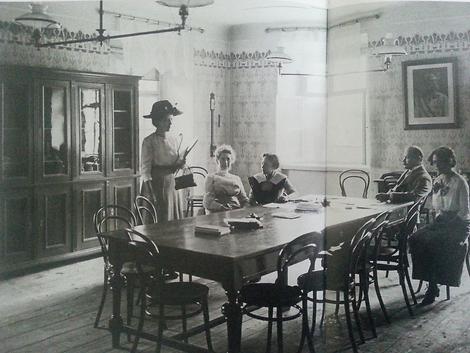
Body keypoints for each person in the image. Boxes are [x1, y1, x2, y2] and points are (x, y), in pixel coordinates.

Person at [409, 146, 470, 305]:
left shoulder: (460, 182)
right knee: (416, 238)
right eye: (435, 162)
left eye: (441, 162)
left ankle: (433, 287)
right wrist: (439, 218)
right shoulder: (438, 180)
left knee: (434, 242)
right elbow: (436, 207)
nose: (437, 166)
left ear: (450, 161)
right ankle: (430, 281)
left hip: (459, 224)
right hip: (442, 222)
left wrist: (448, 221)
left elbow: (464, 211)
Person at [141, 100, 186, 222]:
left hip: (172, 183)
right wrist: (151, 193)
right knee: (159, 219)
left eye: (172, 120)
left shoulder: (175, 139)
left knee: (173, 219)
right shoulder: (149, 141)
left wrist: (181, 163)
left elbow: (177, 163)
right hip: (156, 184)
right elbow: (145, 170)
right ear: (157, 122)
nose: (170, 123)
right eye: (167, 120)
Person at [203, 144, 249, 213]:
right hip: (218, 212)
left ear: (231, 161)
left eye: (228, 159)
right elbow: (208, 202)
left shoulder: (236, 178)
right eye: (222, 159)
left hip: (236, 211)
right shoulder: (211, 177)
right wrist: (221, 207)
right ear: (217, 160)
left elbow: (244, 200)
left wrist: (245, 209)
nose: (225, 162)